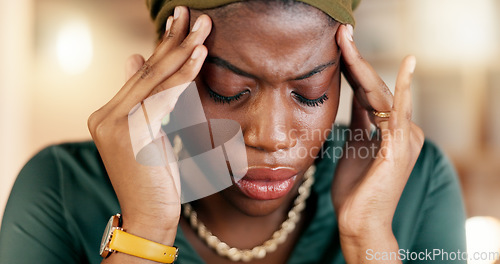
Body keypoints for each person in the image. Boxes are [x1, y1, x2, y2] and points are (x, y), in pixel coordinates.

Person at [0, 0, 467, 263]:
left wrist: (369, 240)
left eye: (309, 93)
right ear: (166, 73)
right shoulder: (61, 188)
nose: (273, 136)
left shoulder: (417, 184)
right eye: (228, 91)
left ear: (346, 76)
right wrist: (145, 231)